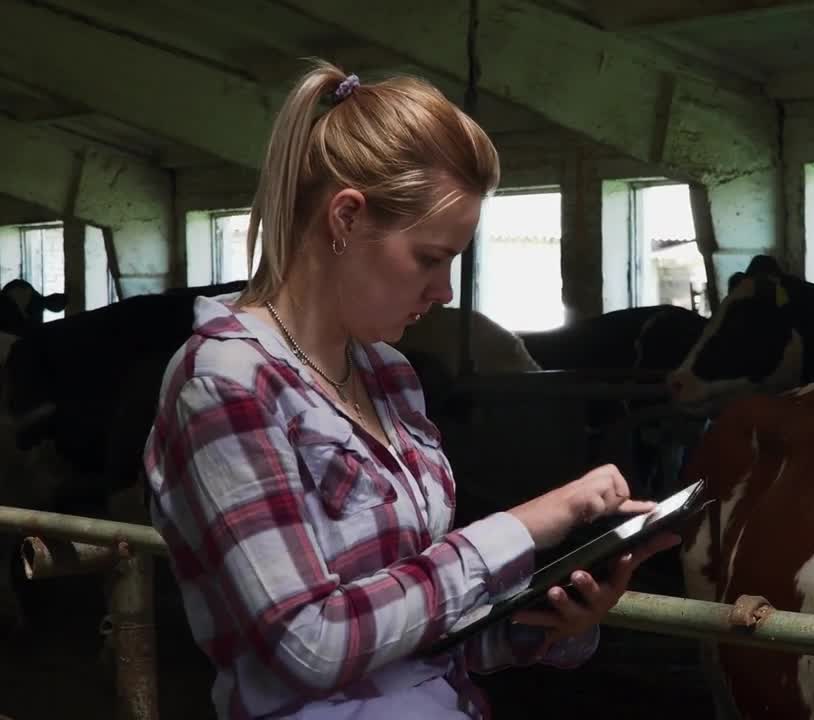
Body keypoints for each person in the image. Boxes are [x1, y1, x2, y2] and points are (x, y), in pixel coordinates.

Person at [143, 60, 680, 720]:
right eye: (430, 257)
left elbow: (421, 627)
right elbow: (309, 644)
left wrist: (551, 620)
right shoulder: (225, 387)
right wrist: (525, 526)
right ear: (345, 218)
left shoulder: (389, 377)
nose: (444, 291)